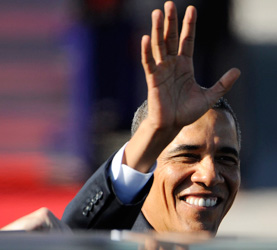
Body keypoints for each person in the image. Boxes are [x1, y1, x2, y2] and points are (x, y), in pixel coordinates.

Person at [1, 1, 241, 235]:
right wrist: (155, 131)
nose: (210, 175)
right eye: (187, 156)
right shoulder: (101, 243)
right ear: (147, 172)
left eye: (227, 159)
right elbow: (78, 234)